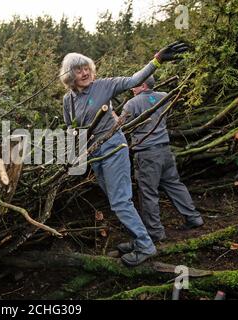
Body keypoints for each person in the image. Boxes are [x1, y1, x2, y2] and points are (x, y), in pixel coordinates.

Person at [60, 41, 188, 266]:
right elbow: (71, 127)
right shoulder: (68, 100)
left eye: (87, 67)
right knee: (117, 200)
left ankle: (145, 246)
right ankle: (139, 239)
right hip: (95, 154)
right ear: (70, 74)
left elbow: (134, 80)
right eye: (79, 69)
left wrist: (156, 59)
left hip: (113, 148)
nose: (85, 72)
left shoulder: (104, 86)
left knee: (120, 201)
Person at [121, 75, 204, 242]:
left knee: (148, 193)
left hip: (147, 154)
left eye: (135, 85)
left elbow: (121, 126)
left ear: (143, 85)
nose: (132, 88)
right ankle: (194, 218)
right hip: (165, 151)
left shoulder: (132, 103)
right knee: (174, 184)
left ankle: (155, 233)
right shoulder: (164, 96)